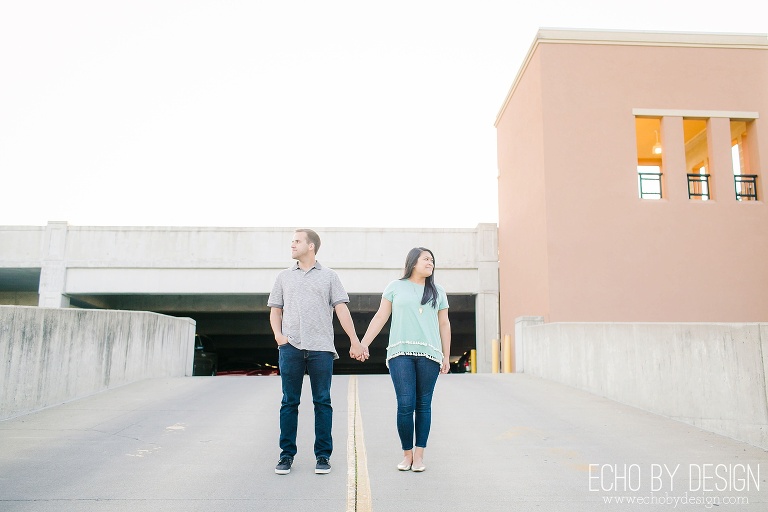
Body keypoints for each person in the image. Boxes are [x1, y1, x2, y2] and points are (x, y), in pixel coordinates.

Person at [268, 228, 366, 475]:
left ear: (311, 246)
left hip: (321, 348)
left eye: (297, 241)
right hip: (290, 347)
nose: (292, 245)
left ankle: (323, 456)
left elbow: (342, 310)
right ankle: (286, 455)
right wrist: (279, 337)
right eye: (292, 241)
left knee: (322, 401)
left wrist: (355, 341)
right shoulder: (283, 277)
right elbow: (276, 309)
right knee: (289, 402)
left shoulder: (330, 276)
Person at [358, 247, 451, 472]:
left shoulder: (438, 291)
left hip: (430, 354)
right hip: (400, 353)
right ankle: (406, 454)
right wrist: (363, 343)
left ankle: (419, 456)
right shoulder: (395, 287)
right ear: (413, 262)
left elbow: (444, 324)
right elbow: (381, 316)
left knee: (423, 405)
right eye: (426, 259)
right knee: (405, 403)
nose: (430, 263)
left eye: (432, 260)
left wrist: (446, 355)